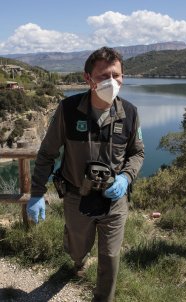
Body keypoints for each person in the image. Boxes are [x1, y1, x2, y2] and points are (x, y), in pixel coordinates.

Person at [26, 47, 144, 301]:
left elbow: (137, 153)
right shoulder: (68, 110)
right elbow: (47, 153)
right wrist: (36, 193)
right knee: (77, 247)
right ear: (87, 78)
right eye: (103, 76)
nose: (112, 82)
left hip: (114, 200)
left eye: (117, 75)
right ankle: (78, 261)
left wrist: (125, 178)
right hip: (76, 197)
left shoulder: (130, 113)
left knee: (110, 257)